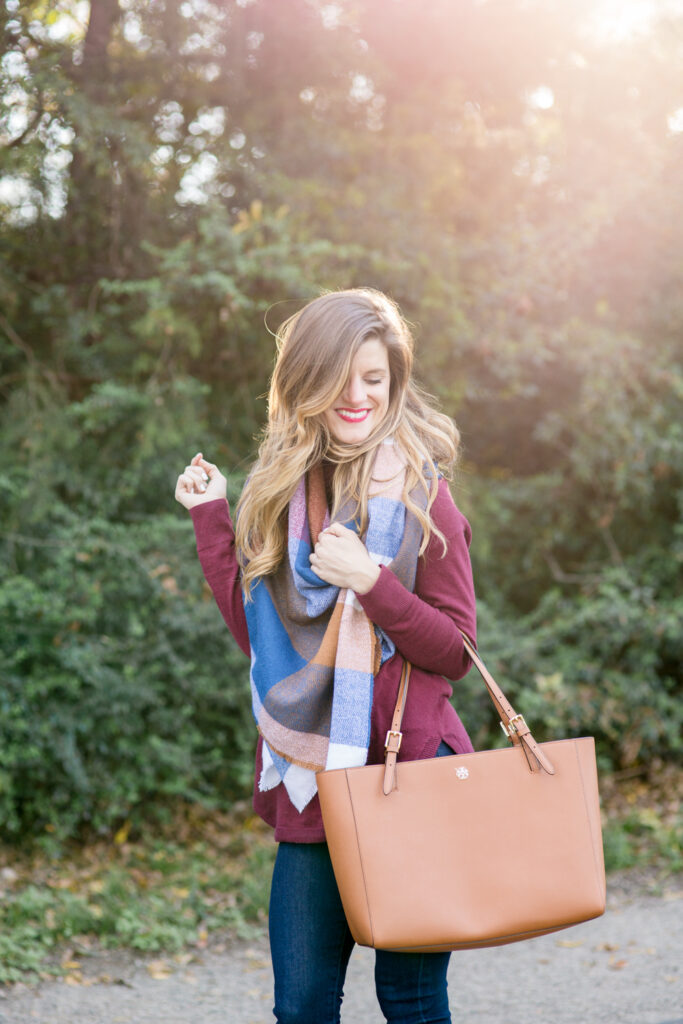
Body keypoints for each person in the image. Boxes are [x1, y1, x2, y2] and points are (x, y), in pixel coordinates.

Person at [175, 287, 477, 1024]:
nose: (358, 395)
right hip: (314, 781)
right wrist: (210, 518)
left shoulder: (421, 496)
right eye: (342, 376)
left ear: (392, 382)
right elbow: (261, 640)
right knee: (302, 1005)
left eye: (374, 378)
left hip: (411, 774)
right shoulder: (280, 496)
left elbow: (455, 650)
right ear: (305, 380)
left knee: (408, 998)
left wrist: (371, 583)